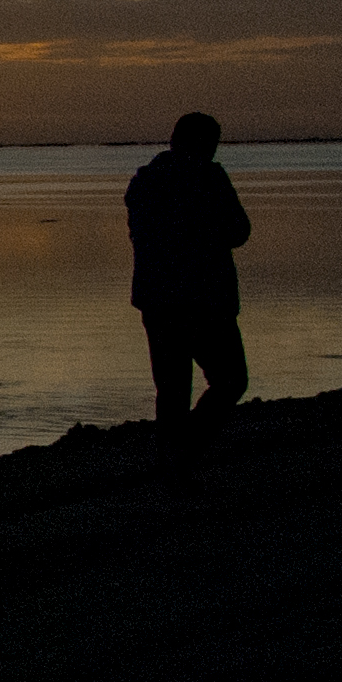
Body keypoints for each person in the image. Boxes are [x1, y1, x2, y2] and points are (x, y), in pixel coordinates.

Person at [124, 111, 253, 467]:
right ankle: (183, 451)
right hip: (203, 299)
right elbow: (238, 231)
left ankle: (173, 458)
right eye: (210, 142)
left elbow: (144, 236)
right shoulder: (209, 178)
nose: (213, 150)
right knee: (229, 380)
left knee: (173, 390)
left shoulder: (144, 181)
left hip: (160, 299)